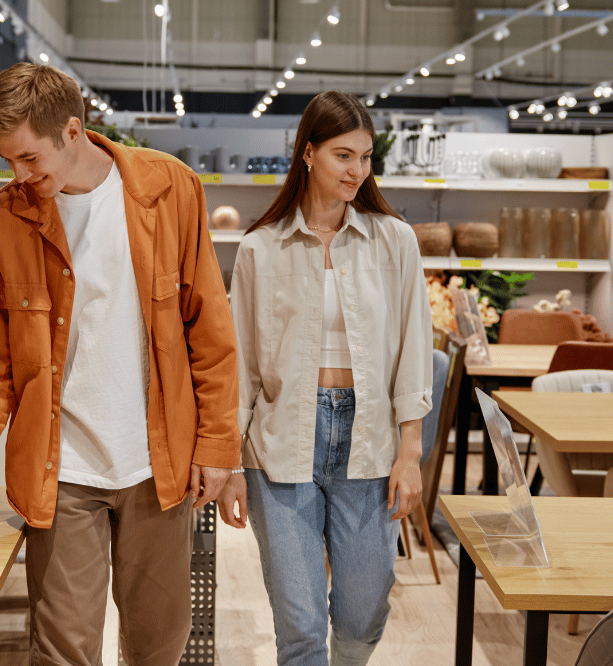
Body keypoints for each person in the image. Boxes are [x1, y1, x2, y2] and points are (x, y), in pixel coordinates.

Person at [0, 62, 241, 665]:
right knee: (61, 650)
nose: (19, 175)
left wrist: (219, 449)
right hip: (60, 471)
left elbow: (211, 333)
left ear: (73, 131)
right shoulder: (3, 220)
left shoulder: (170, 188)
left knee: (158, 648)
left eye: (29, 159)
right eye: (7, 161)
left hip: (159, 465)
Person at [216, 91, 433, 665]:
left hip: (371, 442)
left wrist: (410, 452)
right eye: (343, 155)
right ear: (308, 154)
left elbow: (414, 348)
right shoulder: (261, 249)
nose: (357, 171)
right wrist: (232, 463)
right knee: (300, 624)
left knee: (364, 612)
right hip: (282, 440)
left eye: (365, 157)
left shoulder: (395, 241)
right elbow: (241, 368)